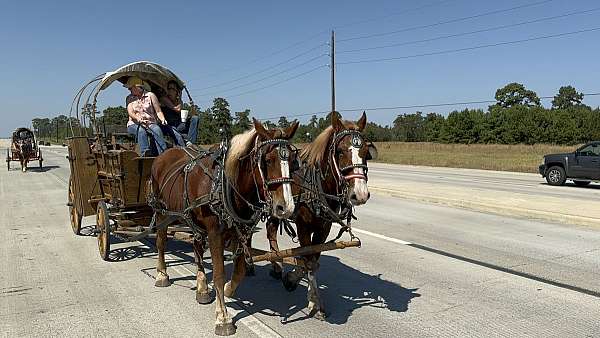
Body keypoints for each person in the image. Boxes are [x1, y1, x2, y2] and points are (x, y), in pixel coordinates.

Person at [125, 77, 184, 156]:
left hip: (150, 123)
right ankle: (145, 153)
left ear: (137, 87)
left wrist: (163, 119)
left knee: (157, 129)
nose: (129, 90)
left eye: (130, 88)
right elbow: (130, 112)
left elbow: (158, 111)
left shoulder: (151, 95)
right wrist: (138, 118)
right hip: (134, 124)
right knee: (141, 131)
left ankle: (163, 154)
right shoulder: (129, 98)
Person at [159, 80, 199, 145]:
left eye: (172, 89)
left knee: (195, 118)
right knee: (178, 131)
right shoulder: (164, 99)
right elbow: (177, 109)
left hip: (179, 125)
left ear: (176, 92)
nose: (170, 91)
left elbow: (182, 113)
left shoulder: (179, 101)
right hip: (169, 126)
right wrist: (180, 97)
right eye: (168, 88)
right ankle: (185, 139)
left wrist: (192, 107)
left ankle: (191, 143)